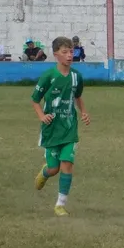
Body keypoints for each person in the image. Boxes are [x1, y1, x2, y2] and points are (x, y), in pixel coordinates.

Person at [31, 36, 91, 216]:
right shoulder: (48, 76)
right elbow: (35, 100)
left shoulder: (76, 77)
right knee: (54, 168)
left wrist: (83, 112)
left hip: (69, 128)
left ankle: (60, 204)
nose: (69, 55)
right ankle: (44, 172)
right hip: (51, 129)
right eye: (65, 52)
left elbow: (78, 96)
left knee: (67, 163)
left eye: (71, 51)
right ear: (56, 54)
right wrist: (42, 116)